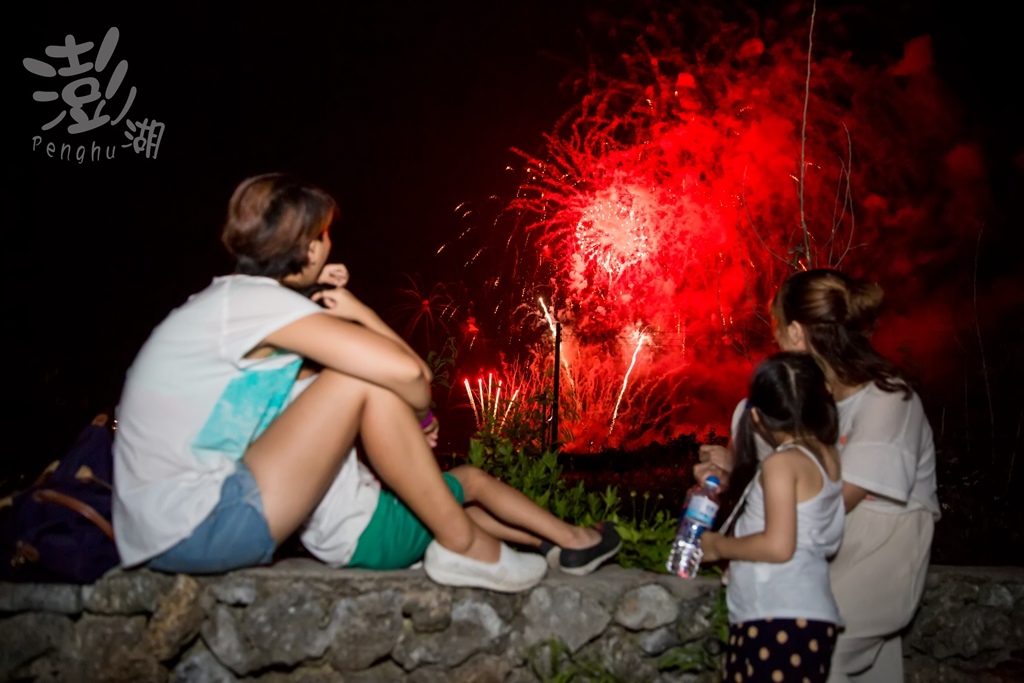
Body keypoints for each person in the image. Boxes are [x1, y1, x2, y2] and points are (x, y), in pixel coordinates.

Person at [111, 172, 619, 592]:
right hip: (200, 524)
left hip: (171, 528)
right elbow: (407, 376)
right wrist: (419, 414)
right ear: (308, 247)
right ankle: (466, 545)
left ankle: (500, 542)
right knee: (359, 380)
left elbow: (333, 394)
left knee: (352, 381)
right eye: (324, 234)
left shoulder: (229, 307)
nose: (329, 243)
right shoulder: (258, 306)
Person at [697, 268, 940, 682]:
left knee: (819, 659)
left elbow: (828, 500)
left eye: (777, 326)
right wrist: (728, 472)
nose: (774, 338)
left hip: (876, 551)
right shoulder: (807, 404)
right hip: (813, 551)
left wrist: (733, 545)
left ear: (796, 332)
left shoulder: (887, 401)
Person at [699, 352, 845, 683]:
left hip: (778, 617)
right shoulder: (828, 456)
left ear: (756, 417)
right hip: (803, 615)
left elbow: (779, 546)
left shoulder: (782, 463)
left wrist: (718, 546)